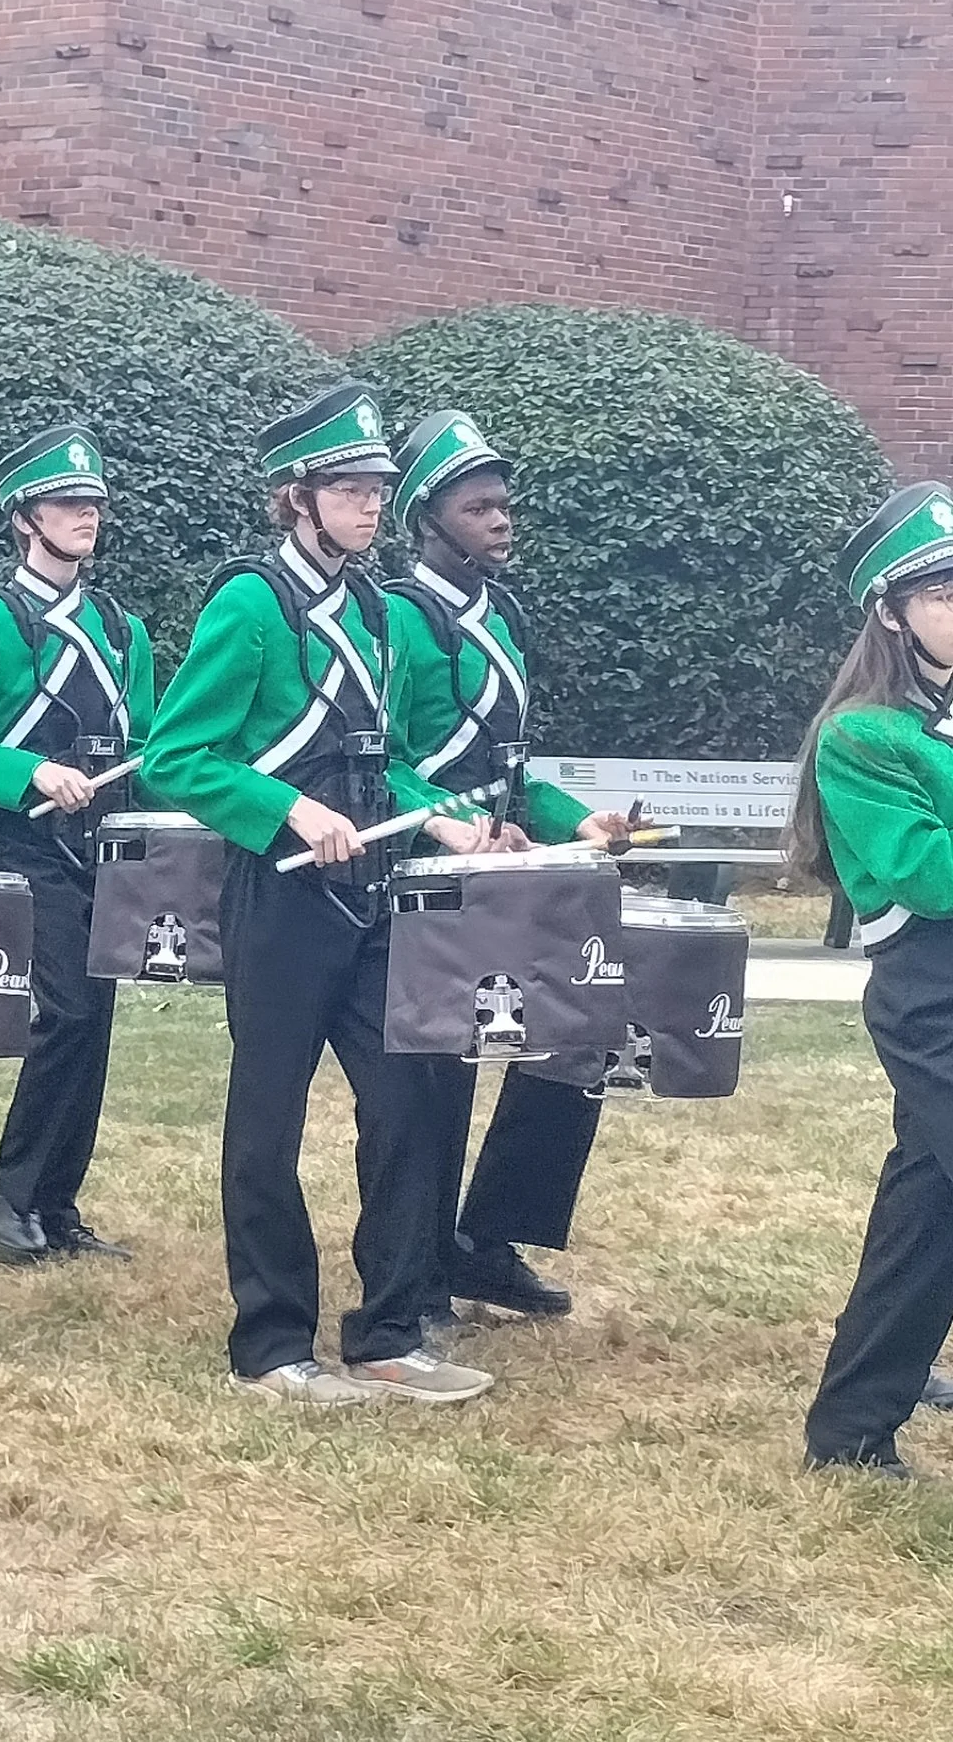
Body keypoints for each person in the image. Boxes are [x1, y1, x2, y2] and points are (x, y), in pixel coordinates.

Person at [141, 383, 497, 1406]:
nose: (370, 503)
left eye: (378, 487)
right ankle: (270, 1342)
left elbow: (378, 763)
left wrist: (435, 811)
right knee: (268, 1120)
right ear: (296, 496)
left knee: (405, 1103)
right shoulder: (249, 601)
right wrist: (285, 810)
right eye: (348, 487)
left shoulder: (379, 608)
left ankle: (387, 1330)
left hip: (370, 887)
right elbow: (179, 755)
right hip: (282, 889)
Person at [381, 412, 630, 1326]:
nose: (500, 521)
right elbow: (380, 761)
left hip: (509, 860)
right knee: (439, 1070)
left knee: (569, 1036)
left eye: (502, 506)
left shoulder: (503, 613)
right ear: (428, 519)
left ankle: (489, 1236)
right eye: (478, 507)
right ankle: (421, 1258)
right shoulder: (396, 617)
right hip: (427, 871)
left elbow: (513, 769)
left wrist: (580, 820)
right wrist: (452, 825)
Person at [0, 424, 155, 1265]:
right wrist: (31, 774)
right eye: (67, 504)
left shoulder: (123, 628)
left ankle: (59, 1205)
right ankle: (12, 1191)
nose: (86, 516)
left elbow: (150, 745)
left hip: (111, 848)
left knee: (97, 1024)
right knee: (65, 1014)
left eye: (92, 503)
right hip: (29, 844)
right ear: (27, 518)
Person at [792, 481, 953, 1480]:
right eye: (944, 590)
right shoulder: (861, 738)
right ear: (891, 613)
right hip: (934, 1004)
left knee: (928, 1216)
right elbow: (931, 878)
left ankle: (850, 1429)